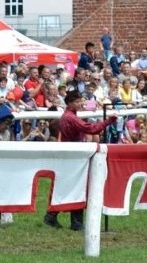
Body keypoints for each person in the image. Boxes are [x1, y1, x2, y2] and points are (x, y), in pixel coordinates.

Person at [44, 90, 117, 231]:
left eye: (80, 101)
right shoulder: (70, 117)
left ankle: (52, 216)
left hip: (70, 156)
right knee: (78, 188)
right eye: (77, 101)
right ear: (70, 103)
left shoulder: (68, 116)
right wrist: (109, 121)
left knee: (69, 187)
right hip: (74, 157)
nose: (80, 103)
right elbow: (90, 128)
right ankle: (74, 222)